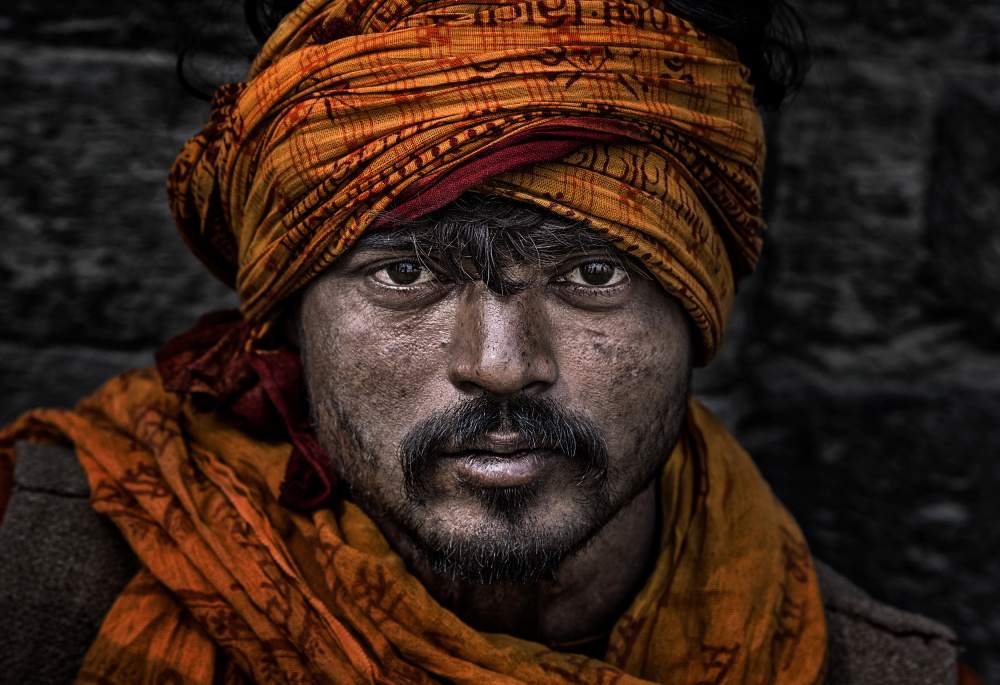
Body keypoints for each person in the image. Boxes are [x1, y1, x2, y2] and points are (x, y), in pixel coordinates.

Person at [0, 0, 982, 683]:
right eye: (405, 273)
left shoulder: (879, 671)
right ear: (287, 317)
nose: (504, 363)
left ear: (697, 302)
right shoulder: (30, 582)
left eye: (592, 275)